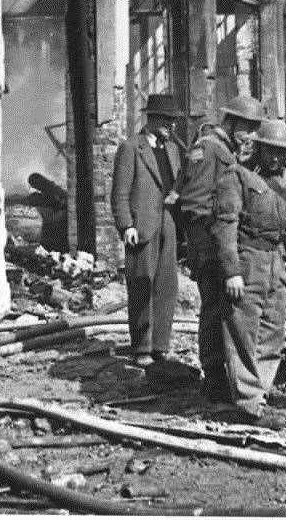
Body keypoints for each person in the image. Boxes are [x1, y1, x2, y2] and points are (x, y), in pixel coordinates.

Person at [213, 118, 286, 422]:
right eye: (272, 151)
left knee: (273, 331)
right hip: (247, 260)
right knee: (243, 332)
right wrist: (231, 271)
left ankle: (259, 391)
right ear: (258, 148)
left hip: (276, 264)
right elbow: (225, 227)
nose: (278, 159)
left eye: (284, 154)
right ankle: (247, 401)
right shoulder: (237, 177)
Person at [175, 93, 266, 402]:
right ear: (231, 121)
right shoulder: (208, 150)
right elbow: (195, 205)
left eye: (255, 128)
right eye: (248, 127)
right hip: (208, 244)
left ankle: (223, 378)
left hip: (217, 242)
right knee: (213, 311)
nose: (252, 134)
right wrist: (211, 250)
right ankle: (214, 381)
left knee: (222, 310)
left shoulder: (225, 150)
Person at [111, 93, 185, 367]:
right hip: (142, 225)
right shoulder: (131, 148)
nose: (172, 126)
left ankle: (160, 346)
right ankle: (141, 346)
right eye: (167, 120)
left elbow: (177, 182)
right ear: (151, 118)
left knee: (167, 285)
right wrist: (126, 225)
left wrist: (178, 195)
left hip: (168, 221)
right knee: (142, 282)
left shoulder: (173, 150)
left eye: (173, 120)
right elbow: (119, 193)